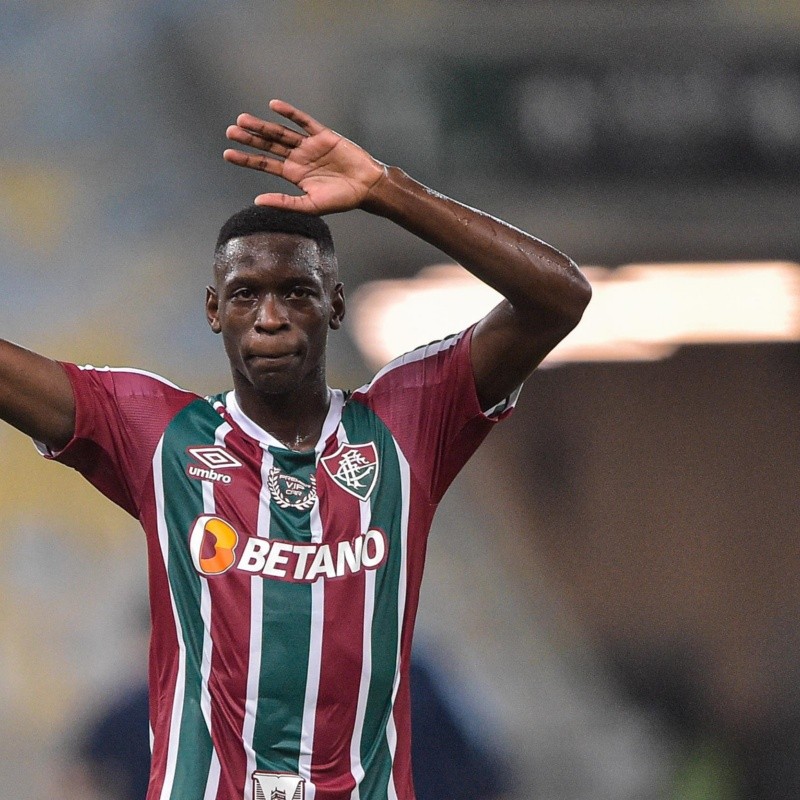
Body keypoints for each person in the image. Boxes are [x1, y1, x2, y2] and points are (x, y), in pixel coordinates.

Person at [0, 99, 591, 800]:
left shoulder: (407, 422)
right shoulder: (159, 434)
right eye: (247, 294)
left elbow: (559, 297)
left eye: (297, 293)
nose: (271, 318)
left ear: (335, 307)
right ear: (214, 310)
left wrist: (387, 192)